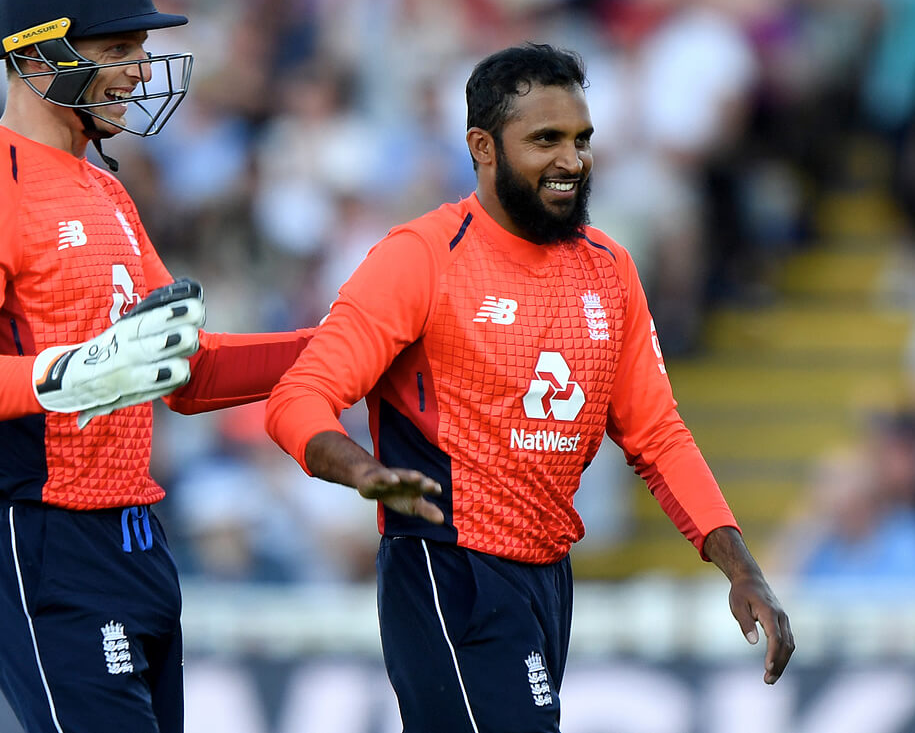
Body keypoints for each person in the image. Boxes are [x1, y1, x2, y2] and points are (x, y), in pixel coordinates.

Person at [264, 42, 794, 730]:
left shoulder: (610, 269)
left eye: (581, 139)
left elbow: (657, 433)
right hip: (447, 564)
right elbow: (296, 398)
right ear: (482, 147)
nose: (571, 161)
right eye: (545, 139)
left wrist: (739, 565)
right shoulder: (421, 256)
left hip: (546, 573)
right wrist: (360, 469)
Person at [0, 0, 312, 733]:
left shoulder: (105, 189)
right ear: (38, 54)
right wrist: (65, 374)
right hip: (41, 539)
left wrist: (338, 345)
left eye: (140, 47)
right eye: (116, 47)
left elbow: (181, 374)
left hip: (135, 537)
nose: (137, 66)